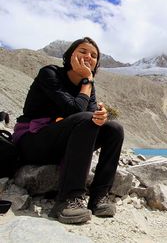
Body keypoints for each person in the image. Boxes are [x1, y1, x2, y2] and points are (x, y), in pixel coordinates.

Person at [13, 37, 124, 224]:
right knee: (86, 119)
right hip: (32, 141)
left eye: (94, 55)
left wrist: (101, 117)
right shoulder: (50, 73)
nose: (88, 56)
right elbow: (76, 112)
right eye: (82, 51)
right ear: (70, 55)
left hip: (64, 143)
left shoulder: (88, 85)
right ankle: (68, 200)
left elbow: (90, 121)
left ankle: (99, 196)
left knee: (114, 129)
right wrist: (87, 81)